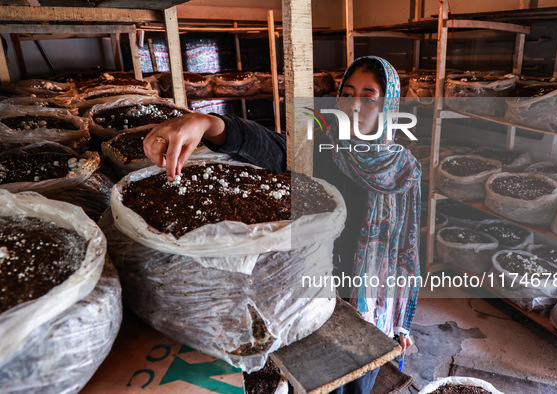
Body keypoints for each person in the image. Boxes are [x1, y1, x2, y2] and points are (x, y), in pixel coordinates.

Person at [144, 56, 421, 394]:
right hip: (316, 287)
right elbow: (269, 146)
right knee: (316, 377)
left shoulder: (404, 169)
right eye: (347, 94)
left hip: (370, 296)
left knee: (358, 381)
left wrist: (403, 322)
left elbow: (406, 249)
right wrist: (209, 123)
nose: (354, 106)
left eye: (368, 96)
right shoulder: (322, 146)